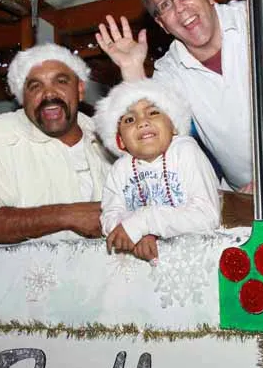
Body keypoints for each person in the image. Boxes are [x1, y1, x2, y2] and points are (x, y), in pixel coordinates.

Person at [95, 0, 263, 192]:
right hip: (246, 196)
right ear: (162, 24)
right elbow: (155, 144)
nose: (179, 8)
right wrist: (132, 69)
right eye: (165, 5)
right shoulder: (169, 71)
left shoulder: (262, 19)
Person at [0, 43, 114, 245]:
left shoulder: (109, 138)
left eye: (61, 81)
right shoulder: (5, 137)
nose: (49, 94)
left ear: (80, 90)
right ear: (23, 98)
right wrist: (66, 216)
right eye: (35, 86)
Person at [94, 79, 220, 263]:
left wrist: (143, 223)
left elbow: (207, 216)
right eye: (129, 119)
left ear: (174, 126)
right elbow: (109, 217)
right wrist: (136, 234)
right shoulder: (120, 169)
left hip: (198, 259)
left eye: (153, 112)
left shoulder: (185, 151)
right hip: (142, 264)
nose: (142, 122)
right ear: (120, 139)